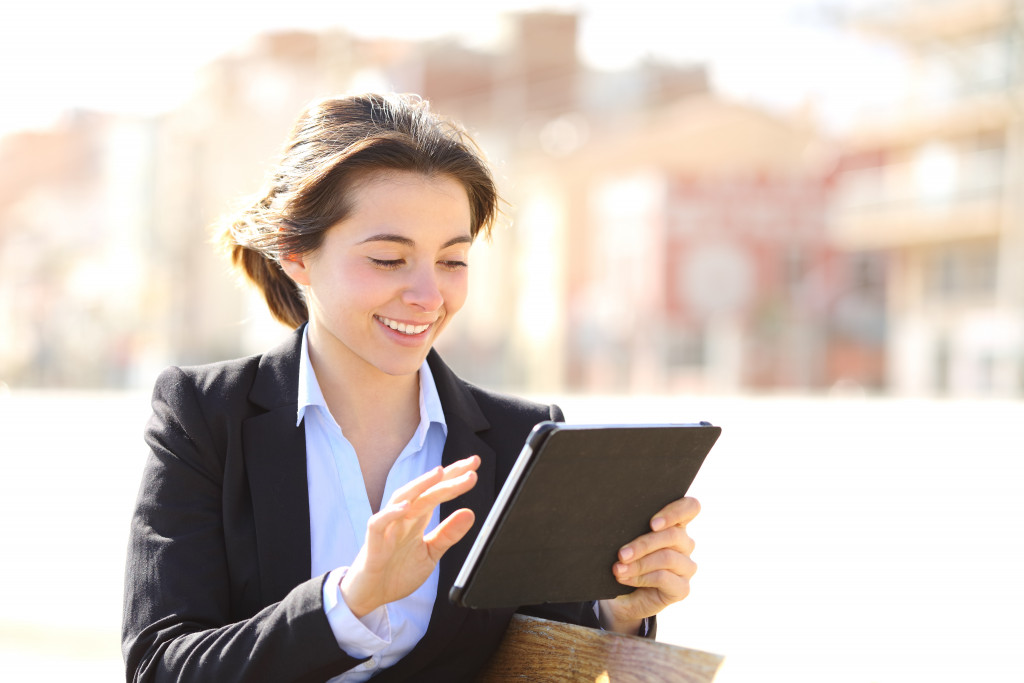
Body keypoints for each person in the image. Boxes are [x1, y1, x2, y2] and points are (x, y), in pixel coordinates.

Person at [122, 92, 701, 682]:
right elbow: (159, 667)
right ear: (296, 254)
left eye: (452, 261)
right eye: (388, 260)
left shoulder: (522, 436)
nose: (428, 297)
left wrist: (616, 614)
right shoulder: (202, 417)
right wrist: (346, 603)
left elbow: (541, 660)